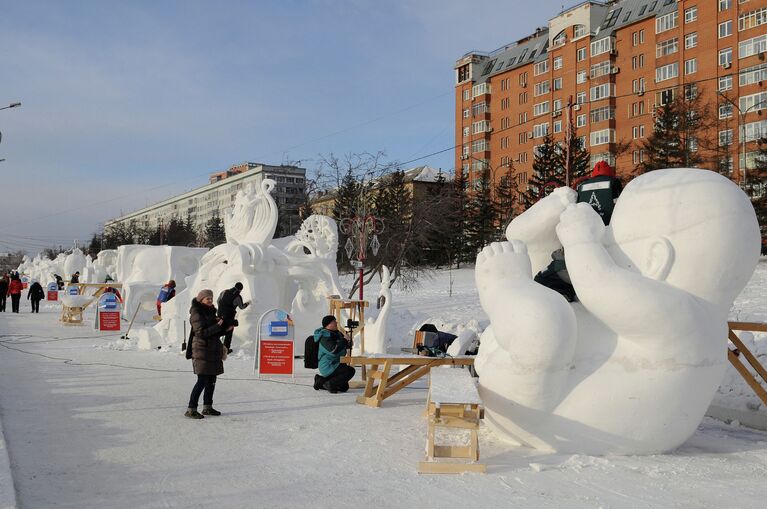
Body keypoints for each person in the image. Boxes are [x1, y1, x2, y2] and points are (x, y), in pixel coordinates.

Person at [533, 162, 624, 302]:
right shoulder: (614, 183)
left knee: (553, 273)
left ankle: (559, 290)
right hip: (604, 236)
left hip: (579, 233)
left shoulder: (582, 186)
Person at [185, 289, 233, 419]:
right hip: (201, 350)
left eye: (211, 298)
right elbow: (201, 333)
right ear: (201, 300)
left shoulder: (211, 311)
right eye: (208, 299)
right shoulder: (196, 312)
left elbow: (213, 333)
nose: (210, 301)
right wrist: (218, 325)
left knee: (212, 380)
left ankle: (207, 407)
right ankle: (191, 408)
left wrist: (225, 329)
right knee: (202, 380)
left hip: (212, 350)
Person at [313, 315, 355, 393]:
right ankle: (330, 384)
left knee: (344, 388)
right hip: (327, 365)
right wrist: (344, 340)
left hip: (336, 363)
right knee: (350, 371)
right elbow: (333, 350)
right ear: (328, 324)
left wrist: (349, 342)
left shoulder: (337, 333)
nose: (336, 323)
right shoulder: (324, 337)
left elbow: (344, 345)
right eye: (334, 321)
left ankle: (321, 381)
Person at [575, 160, 623, 226]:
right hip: (608, 225)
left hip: (586, 226)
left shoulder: (582, 185)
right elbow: (620, 202)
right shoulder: (614, 182)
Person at [217, 282, 250, 353]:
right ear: (240, 290)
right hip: (229, 316)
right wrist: (248, 303)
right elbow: (241, 307)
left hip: (219, 314)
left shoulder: (224, 291)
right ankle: (226, 349)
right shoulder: (237, 297)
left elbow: (218, 300)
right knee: (229, 331)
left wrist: (222, 308)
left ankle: (215, 346)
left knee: (218, 330)